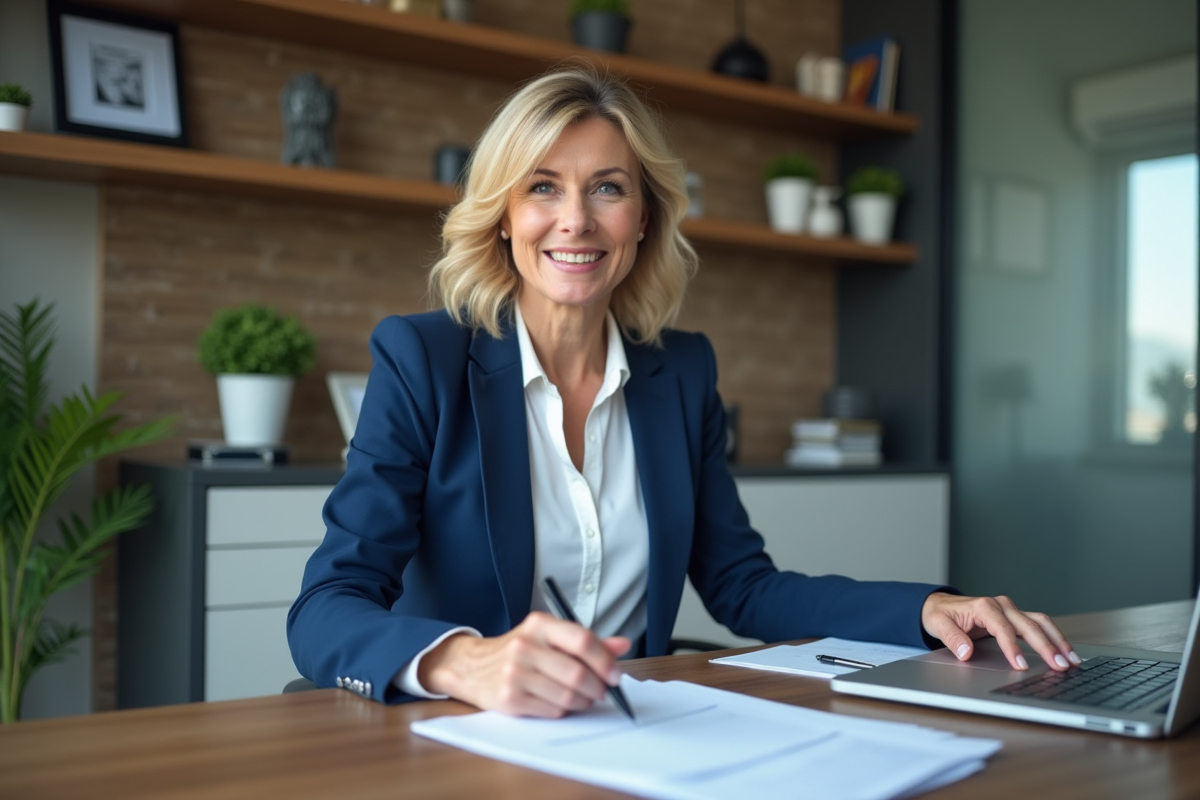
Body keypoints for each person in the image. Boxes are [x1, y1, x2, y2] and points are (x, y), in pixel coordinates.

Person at [287, 67, 1079, 717]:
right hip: (471, 741)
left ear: (643, 219)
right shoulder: (422, 359)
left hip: (643, 735)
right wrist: (466, 663)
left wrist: (924, 610)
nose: (575, 221)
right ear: (501, 216)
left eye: (606, 189)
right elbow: (328, 605)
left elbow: (743, 586)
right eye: (542, 188)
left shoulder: (681, 372)